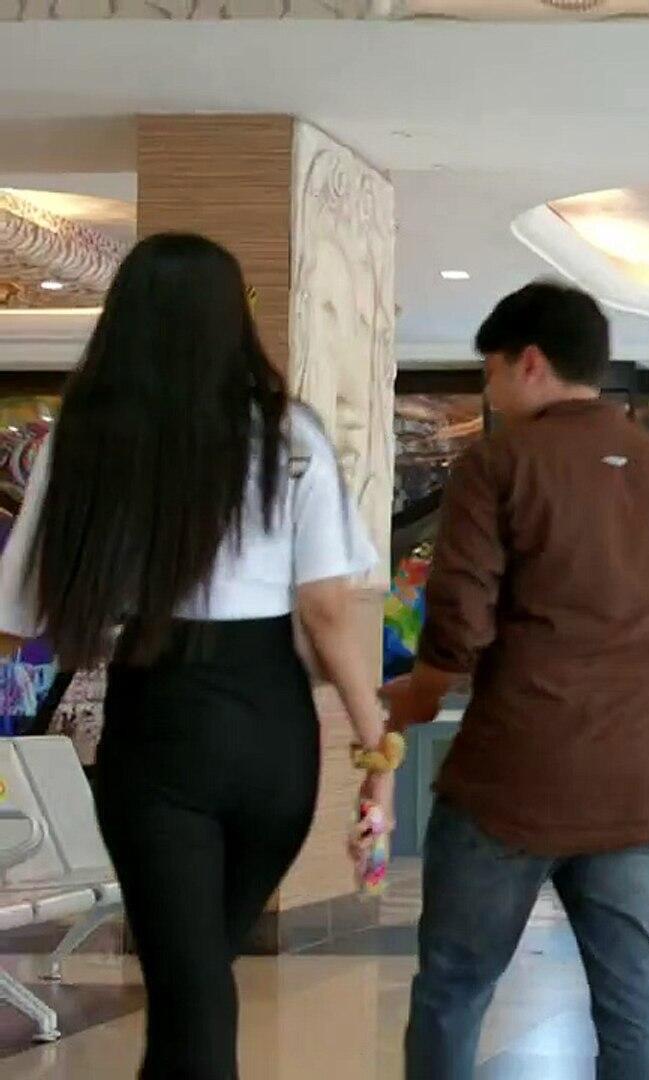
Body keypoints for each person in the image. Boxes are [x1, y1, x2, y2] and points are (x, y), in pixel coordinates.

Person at [0, 233, 388, 1078]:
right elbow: (327, 611)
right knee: (199, 976)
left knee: (190, 987)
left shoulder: (85, 440)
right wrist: (376, 752)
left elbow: (17, 615)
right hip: (274, 738)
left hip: (159, 727)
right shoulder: (289, 434)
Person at [377, 282, 649, 1080]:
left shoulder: (499, 462)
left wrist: (414, 698)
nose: (490, 392)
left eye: (490, 372)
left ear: (529, 363)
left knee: (455, 988)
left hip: (513, 782)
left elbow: (459, 619)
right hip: (637, 785)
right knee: (634, 1001)